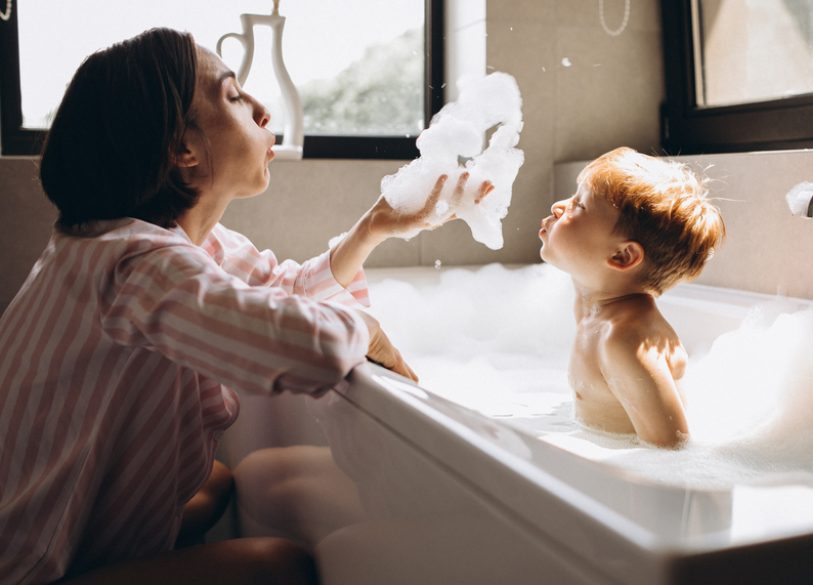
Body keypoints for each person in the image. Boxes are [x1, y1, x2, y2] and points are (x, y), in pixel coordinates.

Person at [0, 28, 492, 585]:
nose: (261, 109)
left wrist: (373, 227)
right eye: (233, 96)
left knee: (213, 483)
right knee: (280, 568)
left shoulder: (150, 242)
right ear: (181, 149)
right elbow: (300, 344)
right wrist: (367, 330)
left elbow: (280, 292)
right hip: (25, 570)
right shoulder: (136, 266)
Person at [538, 147, 724, 448]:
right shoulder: (592, 305)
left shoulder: (626, 341)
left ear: (622, 255)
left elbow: (671, 448)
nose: (559, 206)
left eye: (578, 206)